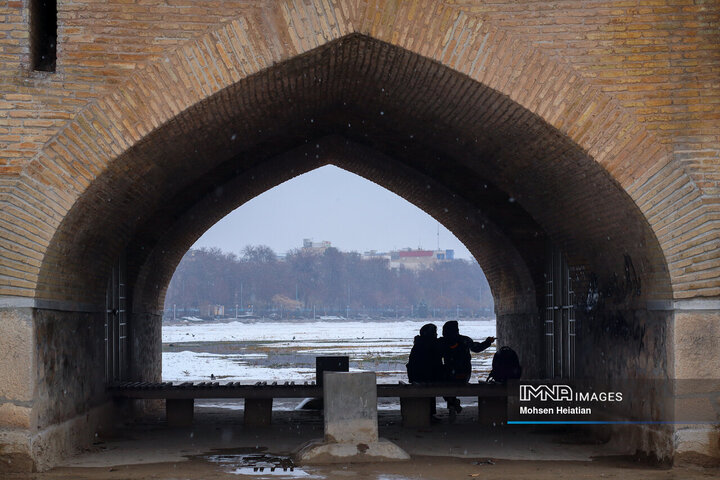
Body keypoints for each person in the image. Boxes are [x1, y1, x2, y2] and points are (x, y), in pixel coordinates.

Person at [438, 320, 495, 416]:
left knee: (443, 385)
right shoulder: (465, 340)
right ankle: (453, 403)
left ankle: (452, 403)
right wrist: (488, 342)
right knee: (452, 382)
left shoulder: (442, 342)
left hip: (448, 374)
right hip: (464, 373)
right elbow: (477, 348)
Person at [406, 323, 444, 421]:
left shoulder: (420, 343)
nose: (436, 334)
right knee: (430, 391)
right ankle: (429, 414)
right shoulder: (430, 344)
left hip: (421, 376)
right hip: (425, 376)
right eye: (434, 332)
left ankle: (428, 414)